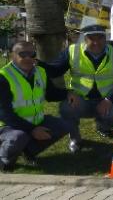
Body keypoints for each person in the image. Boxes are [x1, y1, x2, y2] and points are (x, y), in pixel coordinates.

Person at [40, 25, 113, 153]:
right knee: (66, 108)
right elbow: (55, 71)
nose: (96, 42)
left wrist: (109, 100)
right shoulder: (72, 51)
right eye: (91, 38)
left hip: (107, 99)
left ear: (106, 39)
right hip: (81, 100)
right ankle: (75, 139)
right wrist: (35, 62)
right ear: (84, 39)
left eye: (100, 38)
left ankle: (103, 125)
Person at [0, 42, 69, 172]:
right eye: (22, 54)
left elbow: (51, 94)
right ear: (12, 56)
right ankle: (4, 160)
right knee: (18, 137)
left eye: (31, 54)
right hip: (7, 125)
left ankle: (28, 151)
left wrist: (70, 93)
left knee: (63, 126)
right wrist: (32, 129)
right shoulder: (3, 77)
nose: (28, 58)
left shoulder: (40, 72)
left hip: (34, 121)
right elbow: (4, 114)